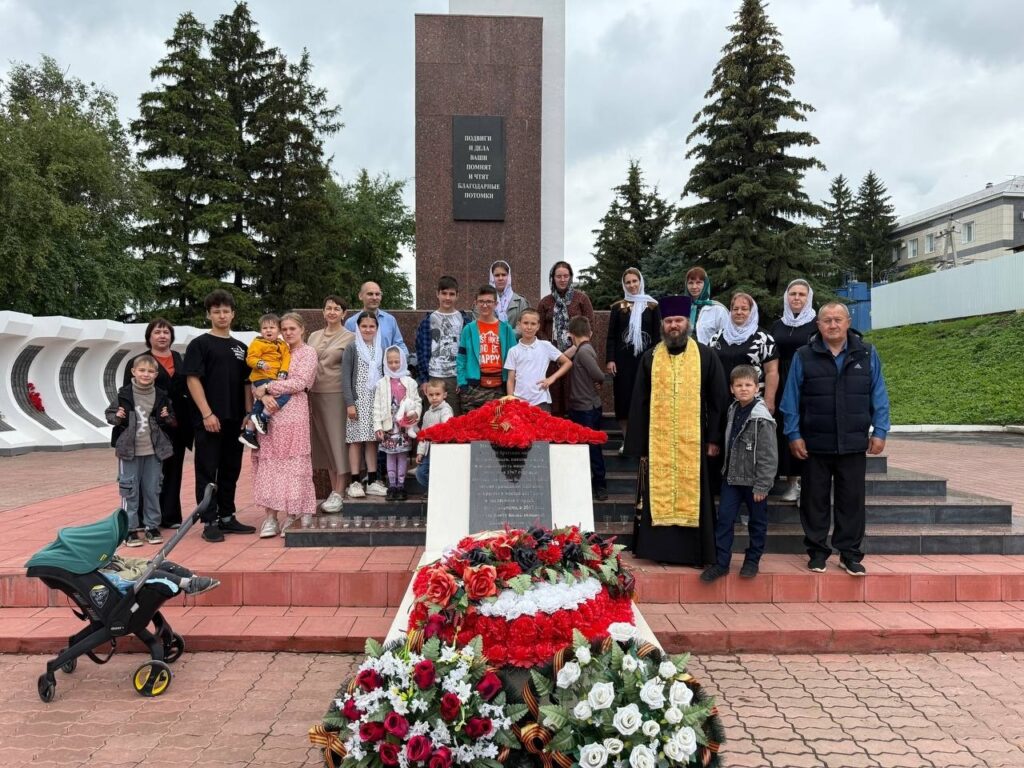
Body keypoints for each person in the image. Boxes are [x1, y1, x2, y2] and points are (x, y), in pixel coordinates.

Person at [780, 302, 891, 577]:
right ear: (818, 325)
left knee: (851, 501)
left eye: (837, 319)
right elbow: (790, 399)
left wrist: (880, 431)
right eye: (827, 320)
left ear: (848, 322)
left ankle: (849, 554)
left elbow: (879, 394)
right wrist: (793, 434)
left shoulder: (866, 353)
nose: (832, 325)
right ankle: (817, 552)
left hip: (853, 442)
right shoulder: (804, 355)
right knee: (814, 501)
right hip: (814, 443)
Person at [625, 295, 727, 566]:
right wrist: (639, 445)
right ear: (662, 325)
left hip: (695, 442)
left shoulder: (706, 356)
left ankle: (695, 552)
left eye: (678, 320)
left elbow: (718, 399)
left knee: (696, 495)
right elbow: (639, 402)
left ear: (687, 323)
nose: (673, 326)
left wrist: (714, 438)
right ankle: (659, 551)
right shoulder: (650, 358)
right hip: (658, 445)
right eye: (669, 321)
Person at [183, 290, 257, 543]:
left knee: (231, 469)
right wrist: (207, 413)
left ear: (233, 314)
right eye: (216, 312)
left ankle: (227, 516)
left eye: (226, 311)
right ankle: (209, 521)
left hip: (235, 420)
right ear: (209, 315)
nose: (222, 315)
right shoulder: (199, 345)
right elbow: (192, 379)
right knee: (207, 470)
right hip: (209, 420)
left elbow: (247, 383)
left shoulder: (241, 348)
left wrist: (248, 413)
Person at [700, 365, 778, 583]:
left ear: (757, 388)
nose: (744, 389)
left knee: (757, 522)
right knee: (724, 520)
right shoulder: (733, 410)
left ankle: (752, 560)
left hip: (754, 482)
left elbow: (769, 455)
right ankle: (721, 562)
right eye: (739, 385)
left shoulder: (762, 418)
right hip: (732, 478)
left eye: (748, 385)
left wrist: (763, 485)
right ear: (731, 389)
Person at [252, 312, 318, 538]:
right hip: (269, 413)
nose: (288, 333)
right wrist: (262, 395)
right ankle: (270, 516)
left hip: (294, 413)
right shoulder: (274, 350)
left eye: (292, 329)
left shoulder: (308, 352)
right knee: (270, 463)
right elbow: (256, 378)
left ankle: (293, 513)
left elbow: (300, 382)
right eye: (285, 329)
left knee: (294, 464)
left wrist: (269, 387)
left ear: (302, 329)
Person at [122, 318, 193, 529]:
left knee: (173, 470)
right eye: (157, 332)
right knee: (147, 474)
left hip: (176, 425)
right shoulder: (138, 362)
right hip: (150, 426)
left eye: (166, 332)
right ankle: (142, 518)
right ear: (149, 337)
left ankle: (169, 516)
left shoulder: (180, 359)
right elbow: (127, 394)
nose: (162, 336)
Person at [106, 355, 177, 546]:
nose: (146, 374)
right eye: (142, 370)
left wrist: (167, 416)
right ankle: (129, 529)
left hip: (154, 451)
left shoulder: (160, 395)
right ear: (134, 372)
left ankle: (152, 526)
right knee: (129, 490)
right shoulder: (124, 394)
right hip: (129, 451)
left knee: (153, 489)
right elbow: (110, 415)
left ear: (156, 374)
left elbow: (171, 420)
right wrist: (117, 416)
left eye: (150, 371)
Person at [768, 279, 818, 503]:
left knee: (807, 428)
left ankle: (810, 483)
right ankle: (791, 482)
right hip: (781, 381)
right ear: (786, 297)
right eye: (792, 294)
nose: (797, 298)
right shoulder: (777, 325)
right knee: (785, 429)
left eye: (801, 294)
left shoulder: (817, 323)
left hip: (808, 381)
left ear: (809, 297)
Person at [307, 295, 355, 514]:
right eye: (329, 308)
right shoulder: (313, 336)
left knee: (337, 442)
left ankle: (340, 490)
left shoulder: (350, 337)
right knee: (324, 444)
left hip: (337, 394)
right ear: (323, 312)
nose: (332, 312)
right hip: (314, 394)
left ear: (344, 314)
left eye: (337, 309)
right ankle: (333, 491)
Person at [606, 268, 660, 449]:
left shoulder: (652, 306)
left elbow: (657, 337)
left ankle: (644, 442)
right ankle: (627, 441)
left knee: (645, 399)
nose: (632, 285)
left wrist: (657, 360)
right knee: (624, 401)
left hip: (646, 361)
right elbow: (611, 336)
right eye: (628, 282)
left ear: (640, 281)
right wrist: (610, 359)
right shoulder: (618, 308)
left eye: (634, 281)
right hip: (623, 363)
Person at [537, 261, 595, 416]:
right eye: (558, 276)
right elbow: (539, 329)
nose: (562, 279)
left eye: (565, 276)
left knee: (573, 396)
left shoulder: (581, 299)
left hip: (577, 355)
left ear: (570, 277)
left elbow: (590, 327)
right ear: (553, 278)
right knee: (555, 397)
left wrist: (574, 348)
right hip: (552, 358)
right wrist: (552, 350)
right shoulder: (545, 302)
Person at [342, 311, 388, 498]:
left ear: (377, 328)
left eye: (372, 326)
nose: (368, 330)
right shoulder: (352, 348)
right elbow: (345, 378)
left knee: (372, 440)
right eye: (364, 326)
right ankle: (354, 481)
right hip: (358, 400)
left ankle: (371, 481)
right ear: (358, 328)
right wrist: (350, 403)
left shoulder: (381, 348)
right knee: (355, 440)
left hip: (375, 402)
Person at [415, 275, 472, 415]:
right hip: (433, 376)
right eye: (444, 293)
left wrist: (463, 378)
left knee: (454, 418)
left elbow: (469, 352)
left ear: (457, 295)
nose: (447, 298)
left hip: (455, 378)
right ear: (437, 294)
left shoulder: (464, 320)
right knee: (432, 419)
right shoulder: (428, 321)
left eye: (451, 294)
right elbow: (421, 352)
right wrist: (424, 380)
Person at [456, 285, 517, 413]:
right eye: (481, 301)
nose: (485, 305)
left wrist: (511, 386)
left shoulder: (506, 329)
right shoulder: (469, 329)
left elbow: (515, 359)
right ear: (476, 303)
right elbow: (461, 358)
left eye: (489, 301)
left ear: (496, 304)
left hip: (500, 387)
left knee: (497, 424)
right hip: (473, 388)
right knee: (472, 425)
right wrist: (462, 384)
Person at [567, 316, 608, 501]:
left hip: (586, 408)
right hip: (583, 406)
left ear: (571, 335)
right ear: (590, 333)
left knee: (592, 447)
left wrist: (599, 381)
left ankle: (600, 484)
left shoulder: (583, 352)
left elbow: (599, 374)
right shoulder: (583, 349)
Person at [373, 346, 421, 501]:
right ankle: (392, 485)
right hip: (389, 426)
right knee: (390, 456)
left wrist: (415, 414)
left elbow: (417, 402)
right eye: (390, 362)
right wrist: (378, 426)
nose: (394, 365)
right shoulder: (382, 383)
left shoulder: (410, 382)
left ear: (403, 362)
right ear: (385, 363)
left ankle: (401, 485)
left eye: (397, 361)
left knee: (402, 455)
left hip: (404, 426)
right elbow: (377, 406)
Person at [239, 314, 291, 450]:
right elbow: (250, 358)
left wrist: (283, 372)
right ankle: (263, 417)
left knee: (260, 404)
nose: (268, 330)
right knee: (284, 395)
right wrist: (260, 363)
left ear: (279, 331)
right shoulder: (258, 343)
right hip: (260, 376)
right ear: (260, 331)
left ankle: (249, 433)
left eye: (272, 327)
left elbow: (286, 358)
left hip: (273, 377)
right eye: (265, 328)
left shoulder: (282, 345)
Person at [504, 309, 572, 412]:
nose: (529, 327)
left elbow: (567, 363)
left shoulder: (545, 346)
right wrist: (511, 402)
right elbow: (510, 380)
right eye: (525, 323)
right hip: (519, 402)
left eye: (533, 324)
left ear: (538, 326)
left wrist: (552, 378)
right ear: (519, 325)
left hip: (541, 401)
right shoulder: (513, 351)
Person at [344, 281, 408, 356]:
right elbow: (346, 351)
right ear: (360, 296)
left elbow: (399, 345)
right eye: (370, 294)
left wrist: (400, 358)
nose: (374, 298)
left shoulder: (390, 320)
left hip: (386, 363)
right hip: (360, 363)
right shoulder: (351, 323)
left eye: (377, 294)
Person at [415, 379, 454, 493]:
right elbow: (423, 434)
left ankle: (439, 492)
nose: (434, 397)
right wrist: (420, 452)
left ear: (444, 395)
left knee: (440, 472)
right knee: (420, 473)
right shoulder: (427, 413)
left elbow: (447, 426)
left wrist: (439, 437)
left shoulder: (446, 410)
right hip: (428, 450)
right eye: (431, 395)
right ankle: (435, 491)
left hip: (441, 449)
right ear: (427, 395)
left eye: (437, 394)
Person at [685, 267, 729, 346]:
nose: (694, 287)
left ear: (705, 284)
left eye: (699, 282)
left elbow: (727, 337)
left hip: (710, 353)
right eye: (690, 283)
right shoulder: (682, 308)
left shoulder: (718, 310)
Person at [488, 260, 530, 333]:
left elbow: (525, 326)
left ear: (509, 276)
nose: (500, 278)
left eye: (504, 275)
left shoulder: (521, 302)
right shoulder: (482, 301)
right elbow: (478, 327)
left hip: (514, 340)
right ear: (492, 277)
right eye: (497, 275)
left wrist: (507, 336)